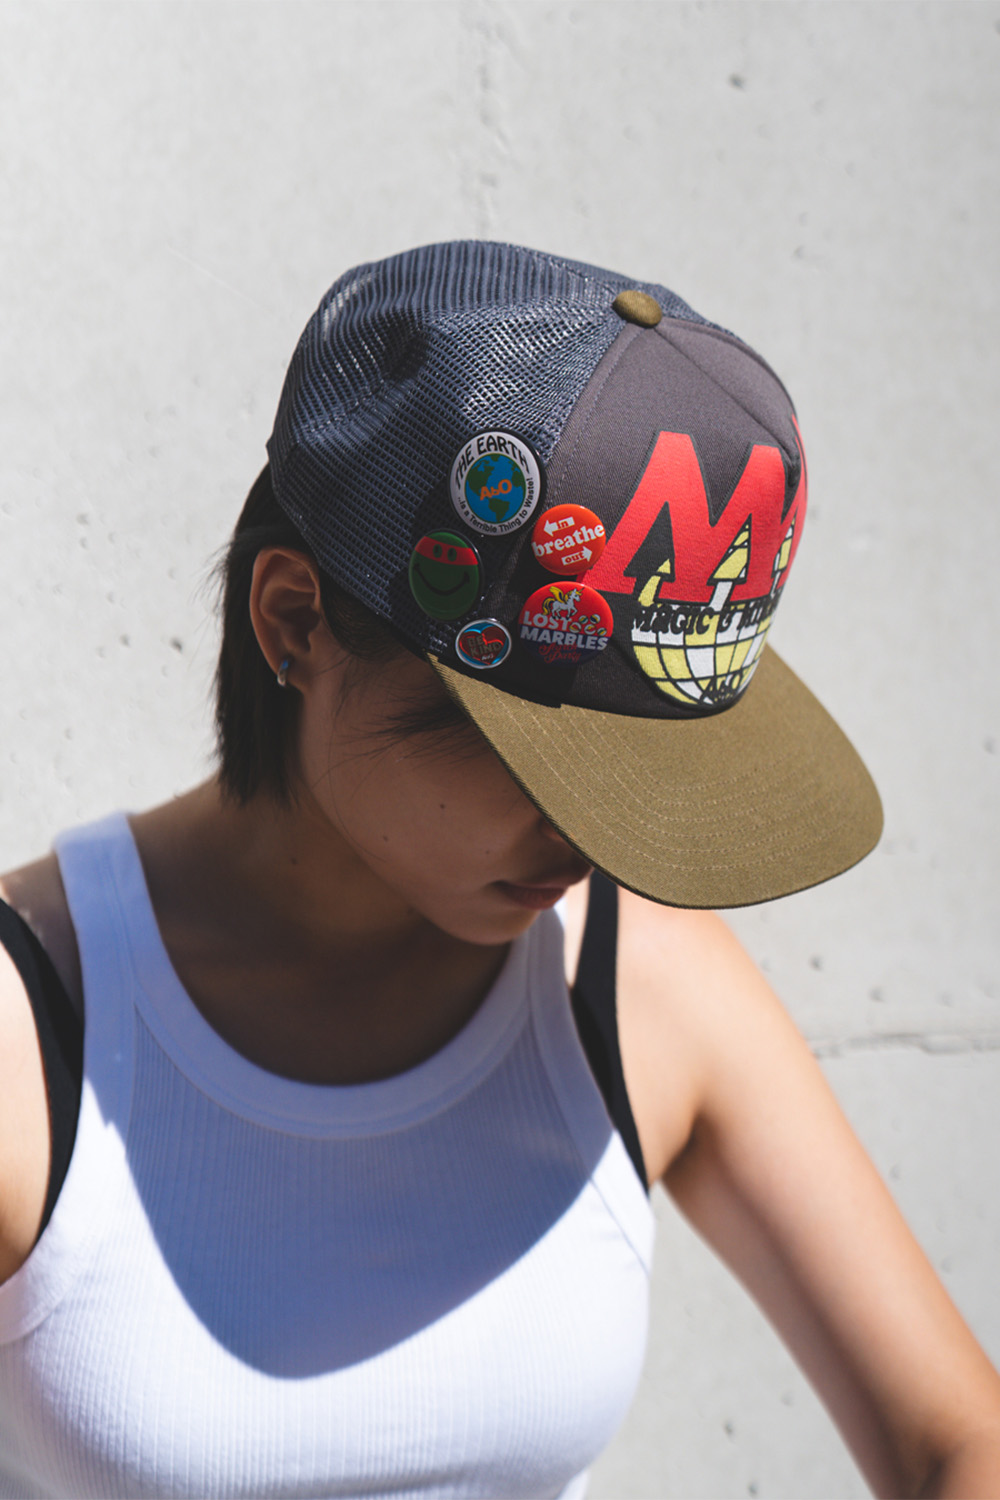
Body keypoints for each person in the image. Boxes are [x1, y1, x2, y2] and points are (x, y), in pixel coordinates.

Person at [0, 240, 997, 1500]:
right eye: (542, 760)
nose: (597, 838)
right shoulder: (37, 1028)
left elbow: (956, 1438)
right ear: (294, 620)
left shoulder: (638, 984)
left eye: (653, 769)